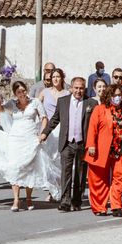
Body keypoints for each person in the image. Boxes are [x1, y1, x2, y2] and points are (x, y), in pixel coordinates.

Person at [0, 80, 61, 212]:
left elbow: (44, 118)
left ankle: (28, 198)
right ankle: (16, 199)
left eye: (23, 90)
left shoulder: (35, 102)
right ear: (15, 93)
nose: (22, 93)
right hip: (15, 140)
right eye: (18, 91)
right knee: (14, 167)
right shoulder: (12, 104)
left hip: (31, 139)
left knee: (29, 169)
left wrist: (42, 134)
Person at [85, 84, 122, 216]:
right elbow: (92, 128)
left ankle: (116, 206)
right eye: (114, 95)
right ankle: (99, 207)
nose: (117, 98)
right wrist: (91, 145)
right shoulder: (100, 109)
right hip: (102, 149)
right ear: (109, 96)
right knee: (98, 179)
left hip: (121, 149)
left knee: (118, 177)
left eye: (119, 95)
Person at [40, 77, 89, 212]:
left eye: (81, 88)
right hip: (67, 142)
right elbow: (55, 119)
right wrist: (45, 133)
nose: (79, 91)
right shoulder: (63, 102)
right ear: (71, 88)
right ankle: (65, 202)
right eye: (76, 88)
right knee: (66, 174)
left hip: (82, 143)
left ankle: (77, 201)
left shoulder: (90, 103)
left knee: (80, 174)